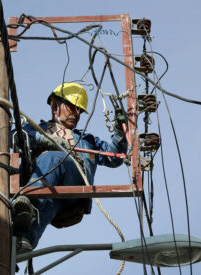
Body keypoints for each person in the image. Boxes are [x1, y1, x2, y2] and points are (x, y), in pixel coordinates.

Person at [11, 82, 128, 252]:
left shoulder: (88, 140)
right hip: (49, 190)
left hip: (75, 187)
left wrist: (120, 131)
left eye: (79, 110)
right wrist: (43, 139)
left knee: (53, 159)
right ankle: (21, 242)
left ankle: (28, 201)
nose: (77, 113)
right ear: (55, 107)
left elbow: (115, 157)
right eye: (73, 107)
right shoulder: (38, 129)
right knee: (45, 203)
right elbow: (12, 136)